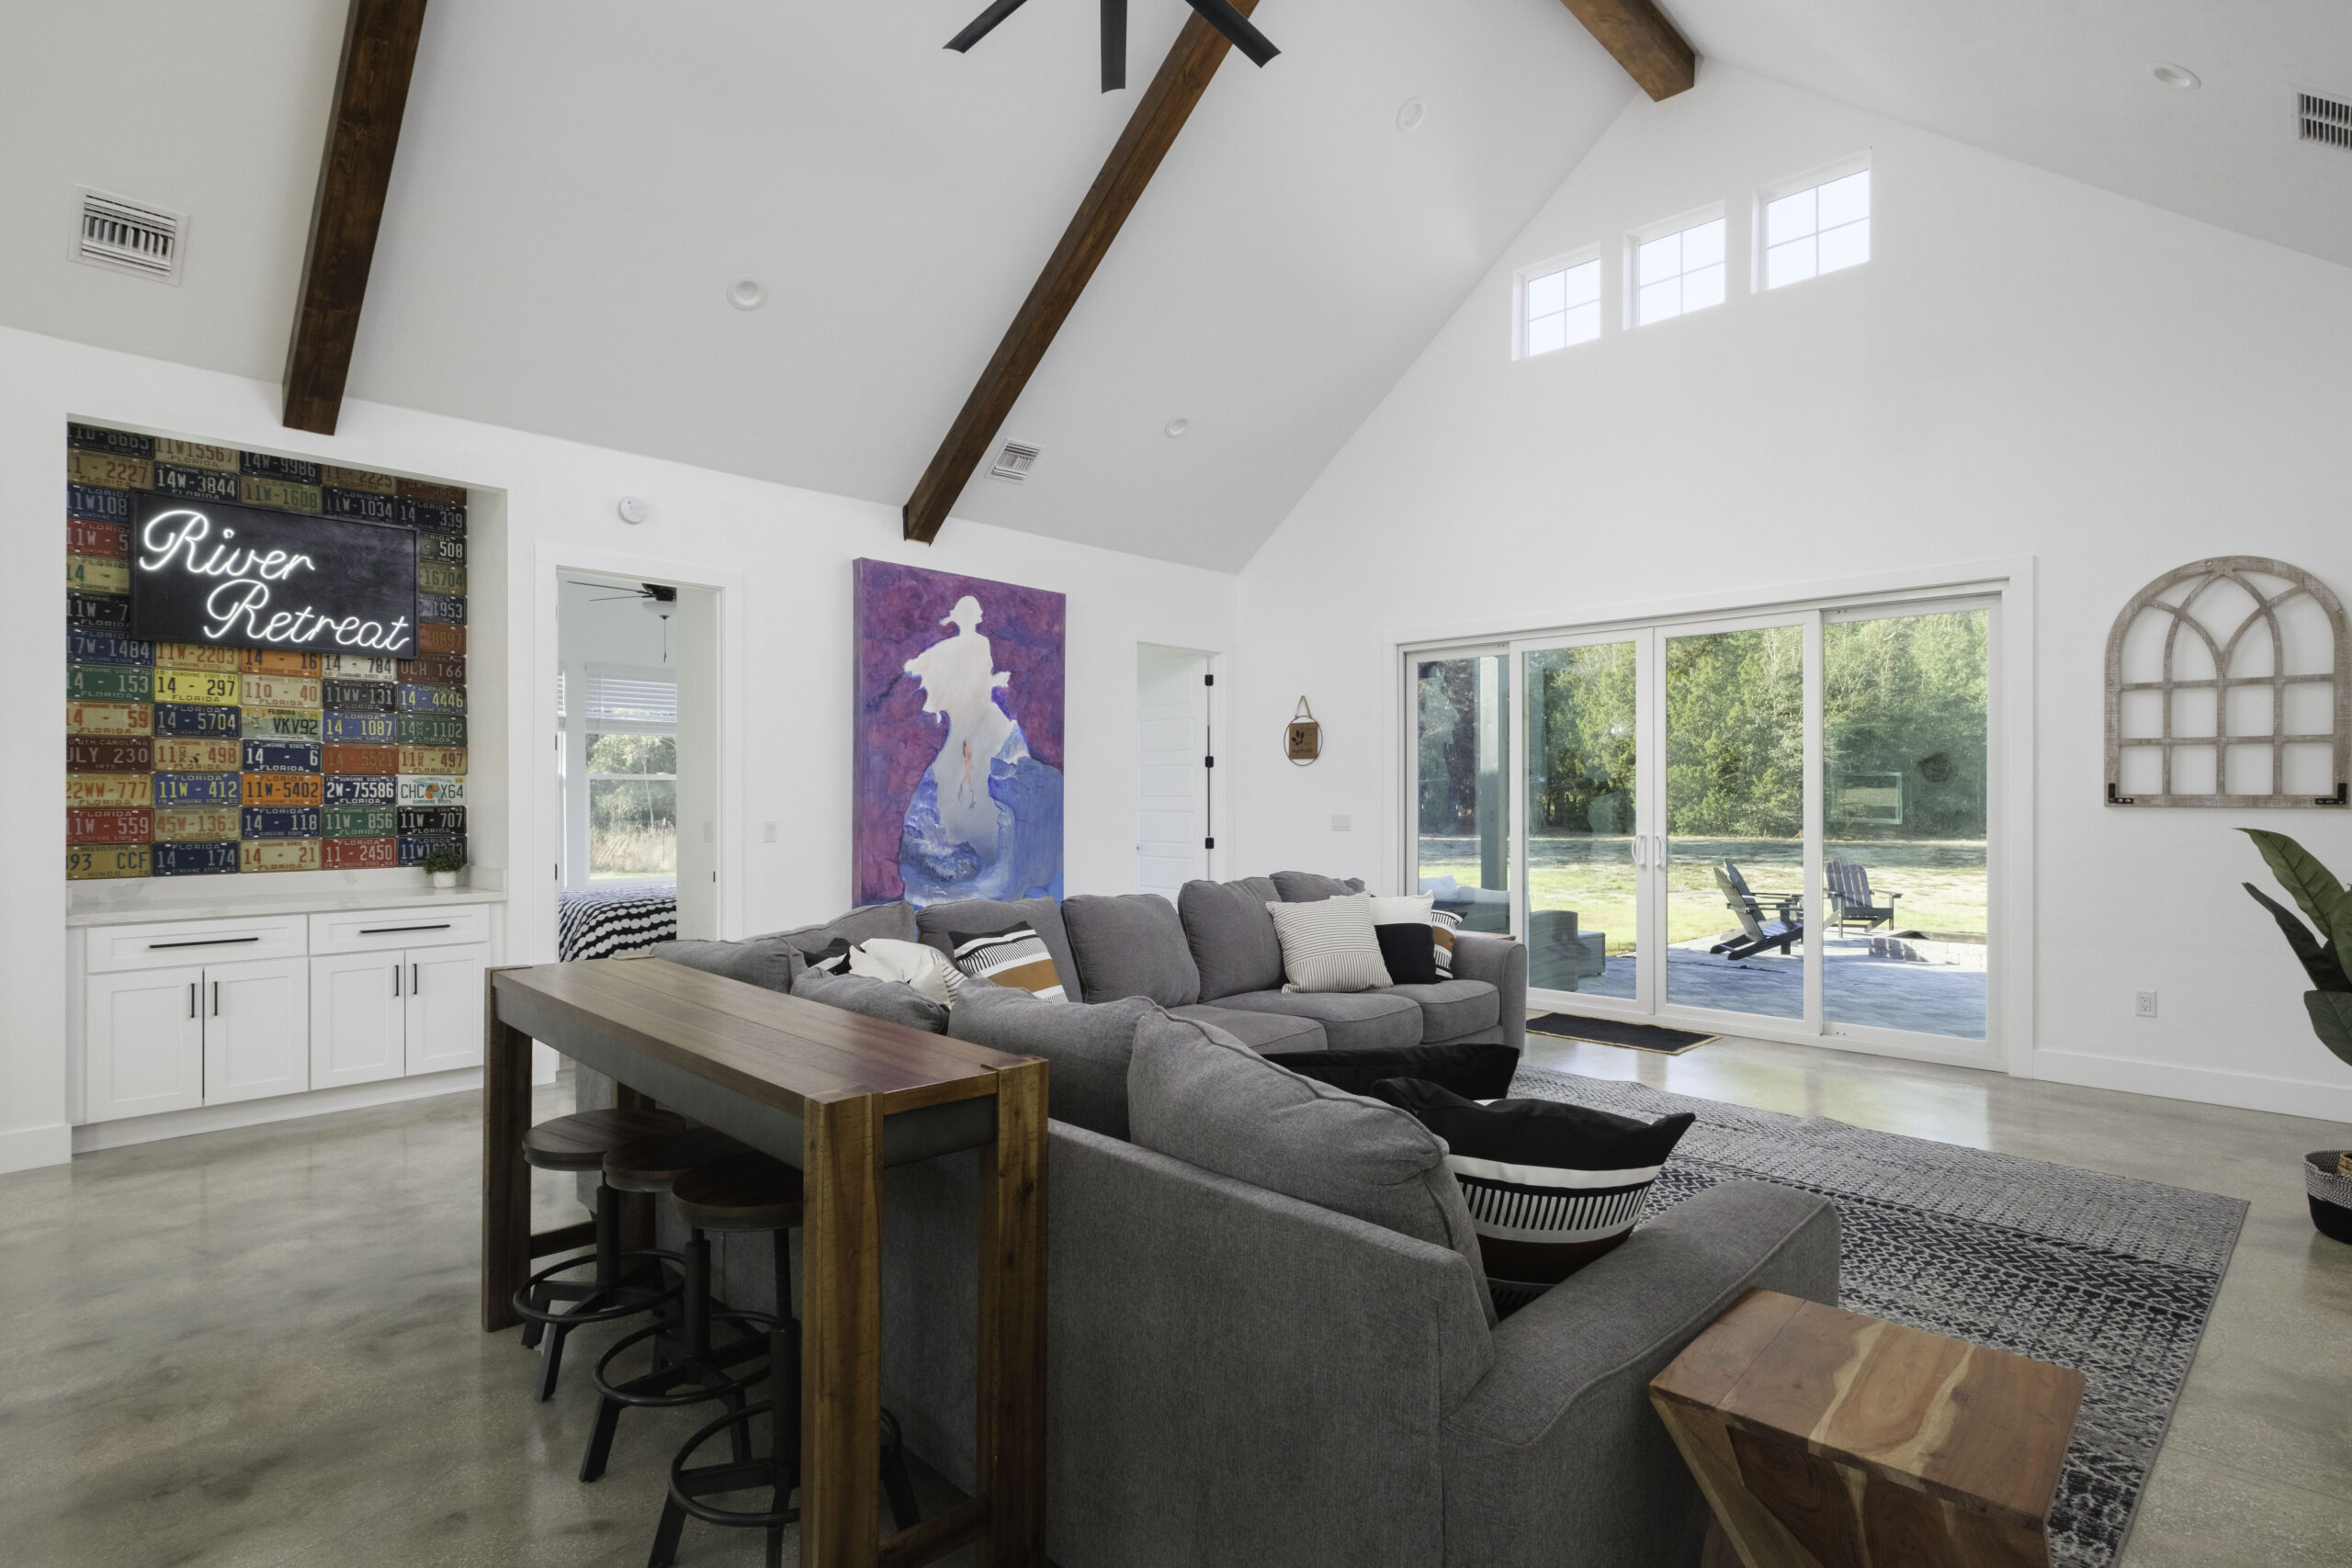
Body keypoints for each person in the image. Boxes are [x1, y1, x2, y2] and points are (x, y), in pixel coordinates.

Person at [897, 594, 1063, 904]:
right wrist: (917, 665)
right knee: (947, 783)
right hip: (968, 730)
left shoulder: (1001, 732)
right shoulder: (963, 652)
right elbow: (937, 662)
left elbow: (970, 674)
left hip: (983, 727)